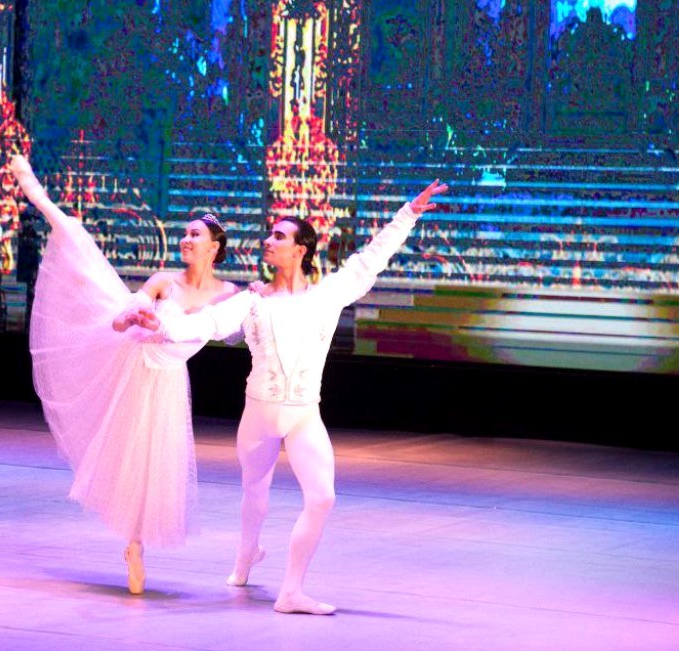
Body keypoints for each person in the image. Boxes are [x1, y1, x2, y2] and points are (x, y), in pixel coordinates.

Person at [135, 180, 450, 614]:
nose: (268, 240)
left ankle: (291, 591)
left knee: (323, 498)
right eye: (269, 234)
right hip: (259, 414)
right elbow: (204, 324)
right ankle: (245, 557)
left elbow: (371, 258)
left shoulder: (327, 296)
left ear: (301, 250)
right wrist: (162, 327)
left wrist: (408, 214)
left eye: (279, 236)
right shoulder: (252, 302)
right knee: (255, 494)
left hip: (304, 415)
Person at [9, 155, 238, 595]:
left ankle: (135, 545)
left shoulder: (227, 293)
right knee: (132, 457)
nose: (186, 239)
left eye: (196, 234)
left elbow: (232, 328)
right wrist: (132, 316)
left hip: (170, 381)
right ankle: (34, 190)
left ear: (214, 247)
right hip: (137, 371)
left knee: (156, 465)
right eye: (185, 233)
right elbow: (118, 321)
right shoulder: (164, 281)